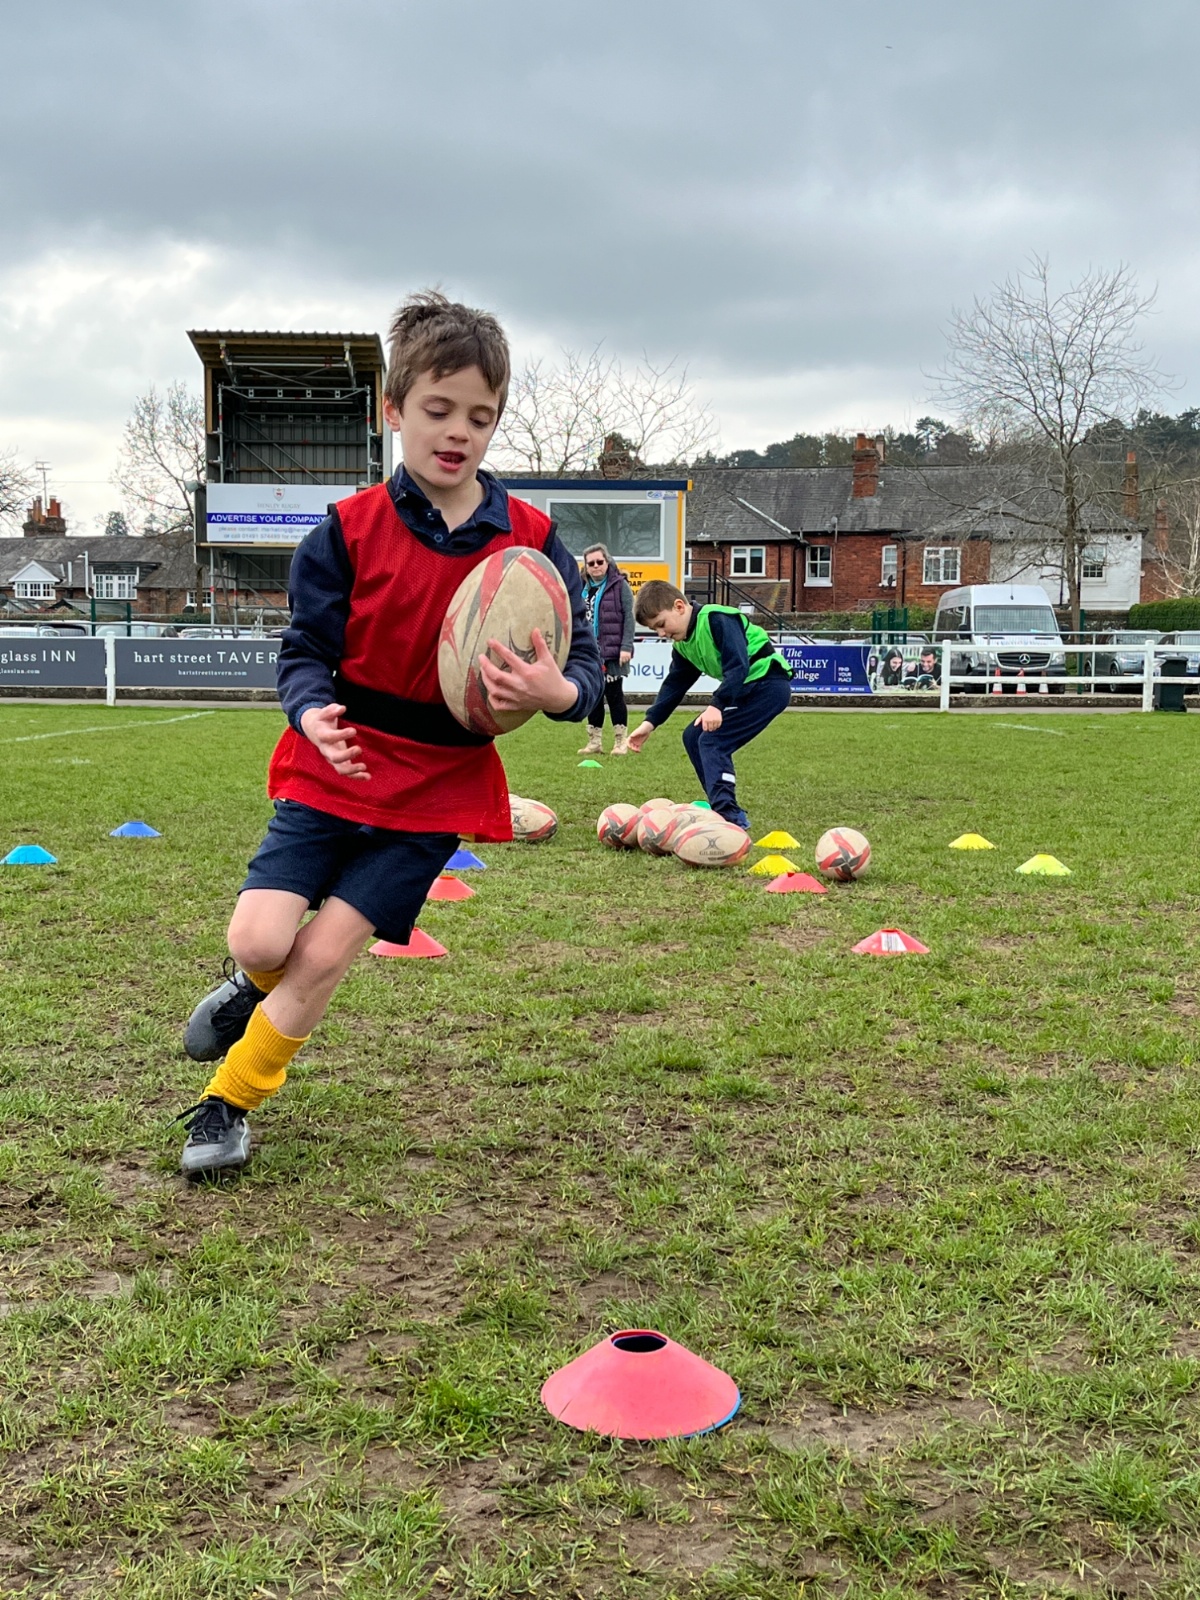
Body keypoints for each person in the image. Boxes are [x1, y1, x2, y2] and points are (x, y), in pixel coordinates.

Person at [174, 291, 603, 1177]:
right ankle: (244, 985)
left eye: (480, 417)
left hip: (438, 784)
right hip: (342, 761)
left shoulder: (532, 544)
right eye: (438, 410)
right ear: (394, 409)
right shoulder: (344, 530)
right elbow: (303, 653)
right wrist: (309, 710)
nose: (458, 433)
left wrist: (558, 689)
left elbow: (590, 676)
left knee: (324, 955)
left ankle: (229, 1101)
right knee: (264, 940)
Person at [625, 581, 792, 832]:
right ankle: (720, 805)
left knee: (713, 740)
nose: (661, 633)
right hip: (745, 690)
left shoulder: (717, 619)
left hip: (769, 686)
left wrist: (717, 705)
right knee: (693, 736)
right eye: (654, 629)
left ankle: (729, 815)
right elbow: (675, 685)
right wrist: (650, 723)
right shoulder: (683, 643)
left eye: (661, 624)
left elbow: (738, 666)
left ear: (679, 606)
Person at [577, 544, 634, 756]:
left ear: (607, 562)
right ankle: (595, 741)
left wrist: (626, 647)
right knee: (593, 696)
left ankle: (621, 742)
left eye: (599, 562)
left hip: (613, 652)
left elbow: (629, 617)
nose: (595, 566)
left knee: (614, 695)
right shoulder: (581, 588)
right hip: (588, 653)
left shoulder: (620, 586)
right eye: (590, 563)